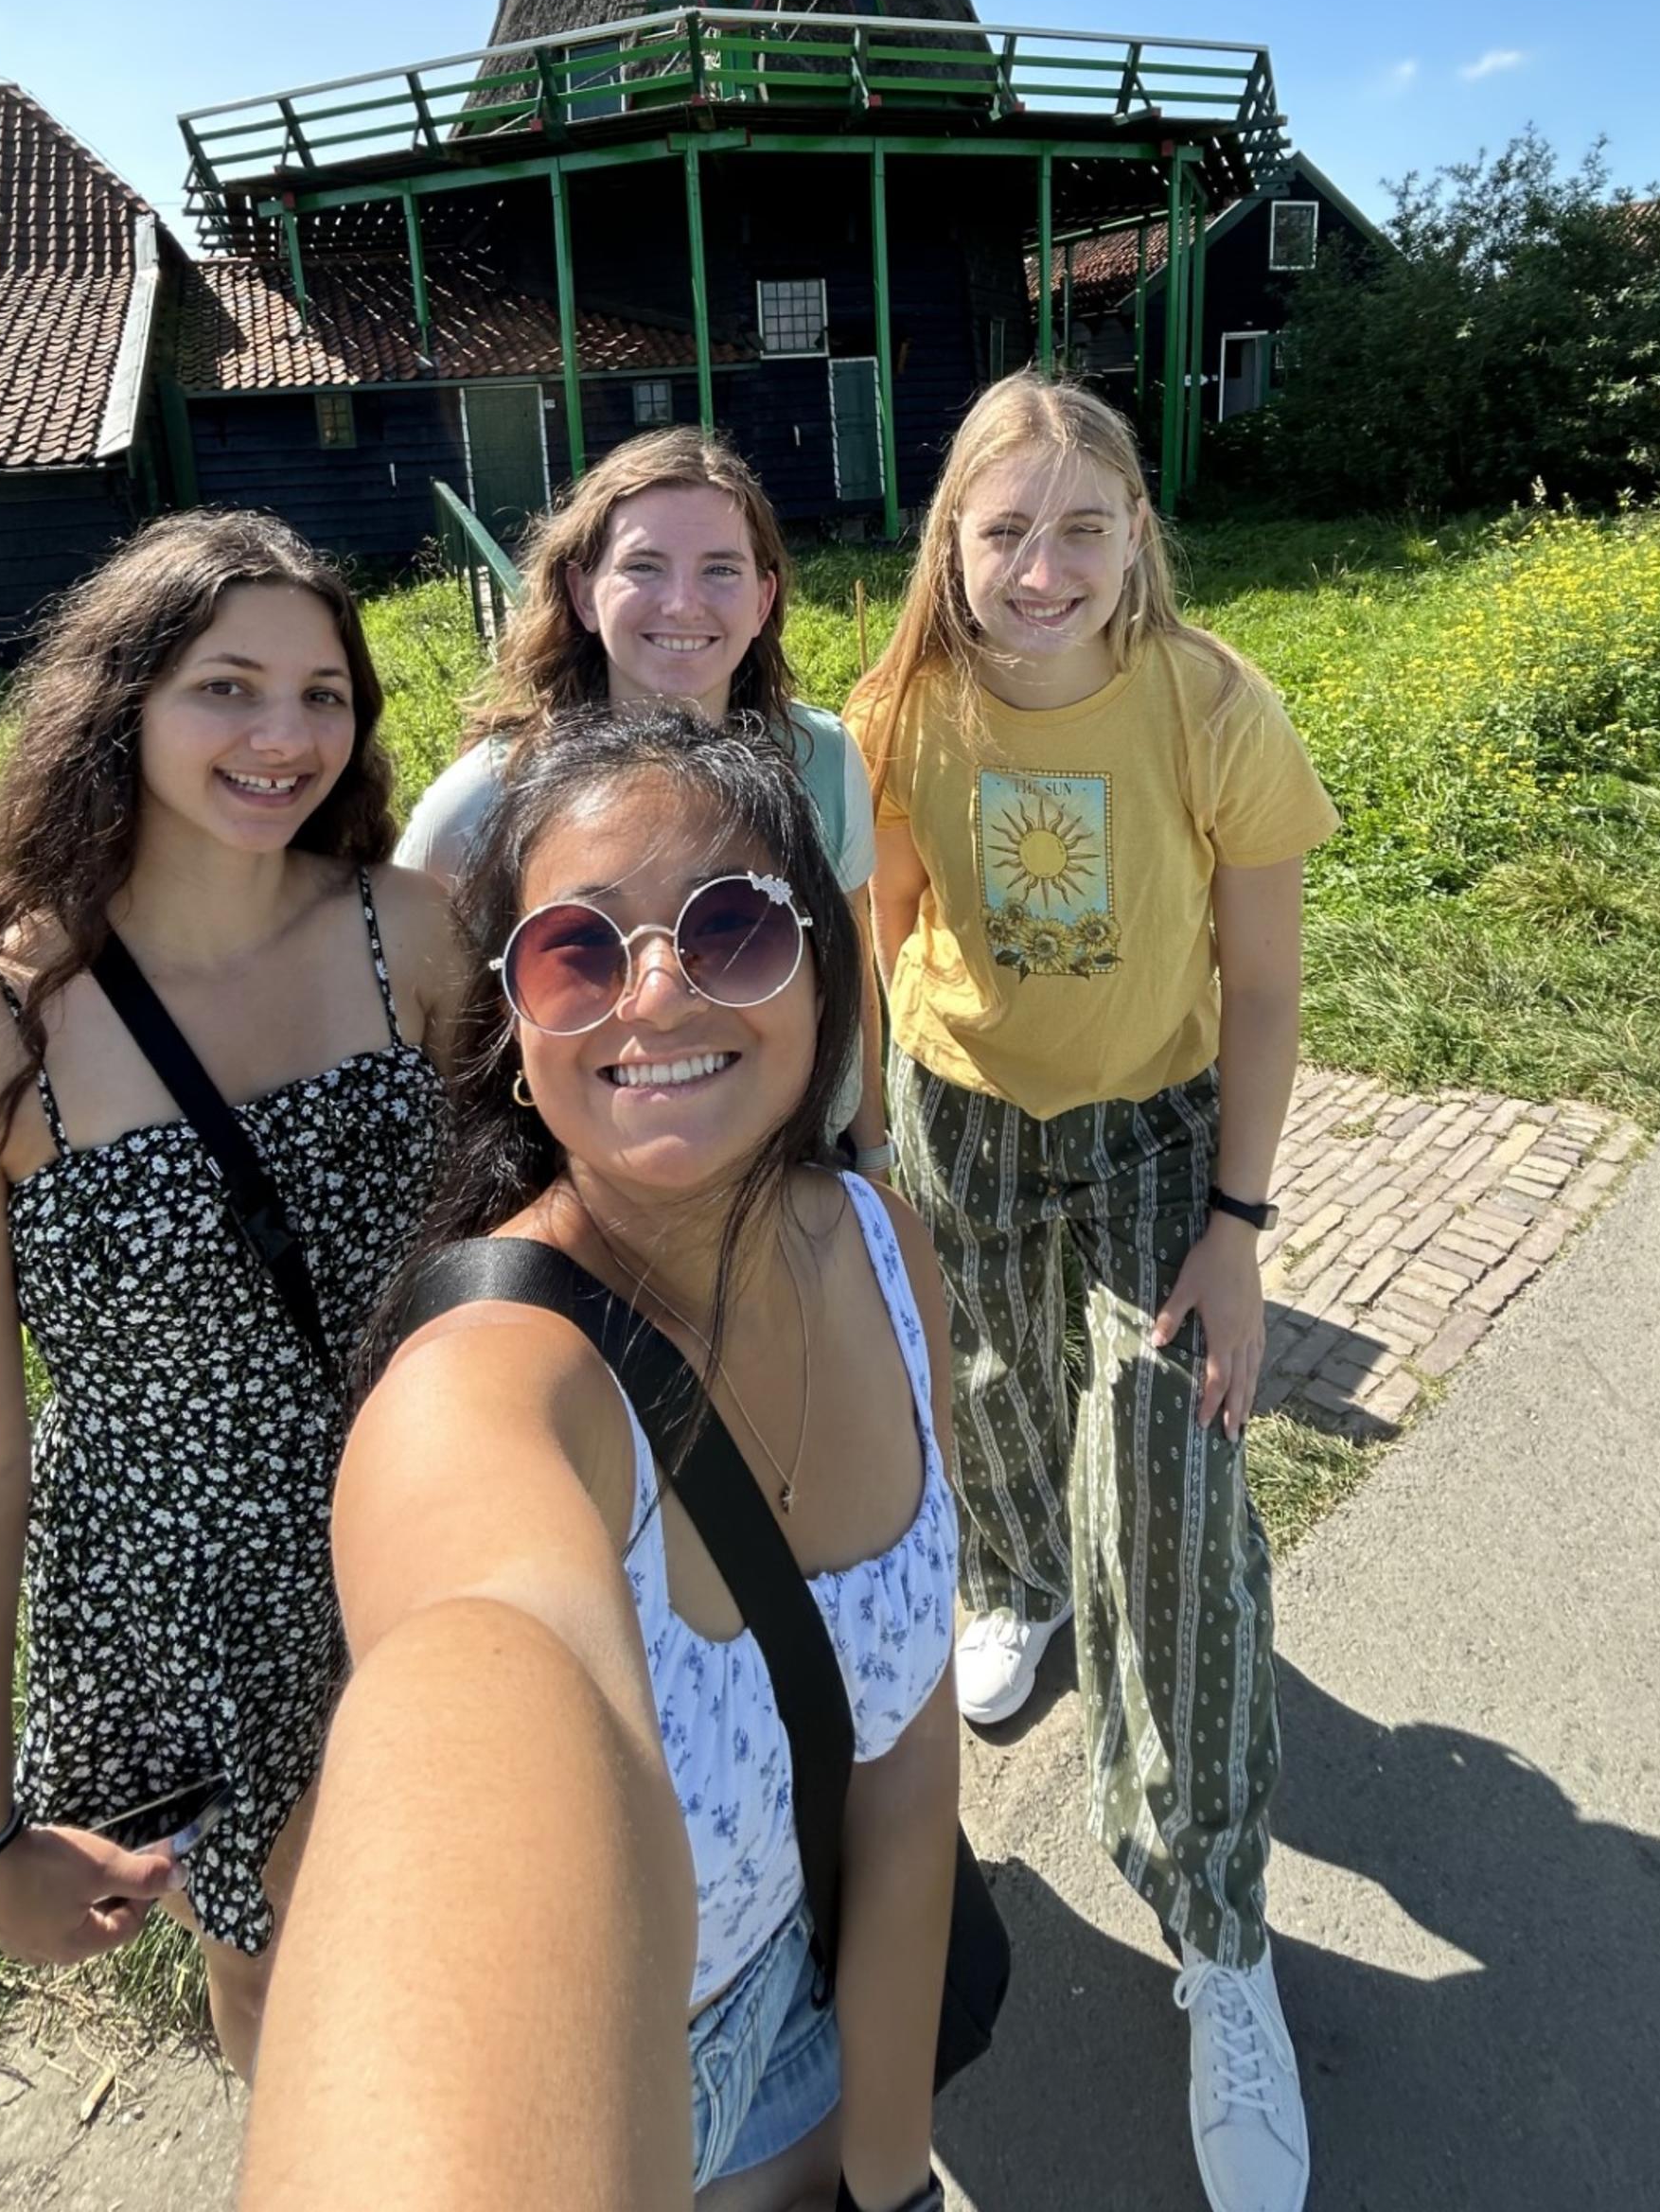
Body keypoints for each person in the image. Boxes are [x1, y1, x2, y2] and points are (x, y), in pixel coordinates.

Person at [268, 707, 960, 2211]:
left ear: (823, 973)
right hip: (630, 2101)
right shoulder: (485, 1397)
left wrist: (897, 2180)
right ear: (517, 1035)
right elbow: (475, 1685)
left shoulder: (889, 1254)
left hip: (817, 2030)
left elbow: (907, 1771)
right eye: (577, 954)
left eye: (730, 927)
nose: (654, 992)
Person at [0, 510, 463, 2076]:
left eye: (325, 695)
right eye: (227, 688)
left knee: (485, 1944)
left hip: (441, 1522)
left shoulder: (417, 938)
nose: (285, 735)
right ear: (120, 707)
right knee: (291, 1993)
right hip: (199, 1608)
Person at [846, 372, 1338, 2212]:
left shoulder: (1215, 707)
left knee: (1180, 1493)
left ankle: (1219, 1931)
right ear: (950, 548)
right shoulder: (901, 713)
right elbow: (879, 931)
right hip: (961, 1118)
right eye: (1004, 529)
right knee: (984, 1393)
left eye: (1079, 524)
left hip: (1157, 1144)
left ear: (1137, 528)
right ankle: (1020, 1580)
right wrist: (868, 1155)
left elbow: (1268, 991)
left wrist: (1239, 1222)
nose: (1041, 567)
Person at [397, 428, 889, 1167]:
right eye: (644, 567)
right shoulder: (482, 802)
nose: (684, 603)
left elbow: (852, 981)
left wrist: (874, 1146)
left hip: (797, 1166)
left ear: (763, 600)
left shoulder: (821, 760)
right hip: (587, 1193)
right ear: (582, 593)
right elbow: (429, 1029)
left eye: (720, 569)